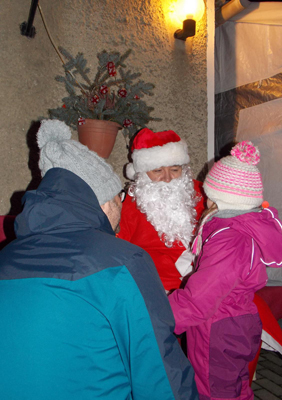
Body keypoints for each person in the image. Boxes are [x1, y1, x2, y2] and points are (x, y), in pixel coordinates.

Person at [0, 119, 198, 400]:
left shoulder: (5, 258)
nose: (121, 205)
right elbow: (160, 374)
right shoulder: (122, 262)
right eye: (118, 198)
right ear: (104, 202)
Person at [168, 141, 282, 400]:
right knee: (233, 388)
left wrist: (163, 314)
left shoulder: (230, 239)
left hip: (219, 327)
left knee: (215, 392)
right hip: (233, 319)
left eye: (209, 195)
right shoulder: (239, 228)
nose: (205, 200)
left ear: (221, 198)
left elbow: (200, 299)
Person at [118, 127, 205, 292]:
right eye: (157, 171)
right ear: (142, 173)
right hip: (154, 286)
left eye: (175, 170)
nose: (167, 178)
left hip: (203, 281)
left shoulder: (202, 194)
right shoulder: (127, 204)